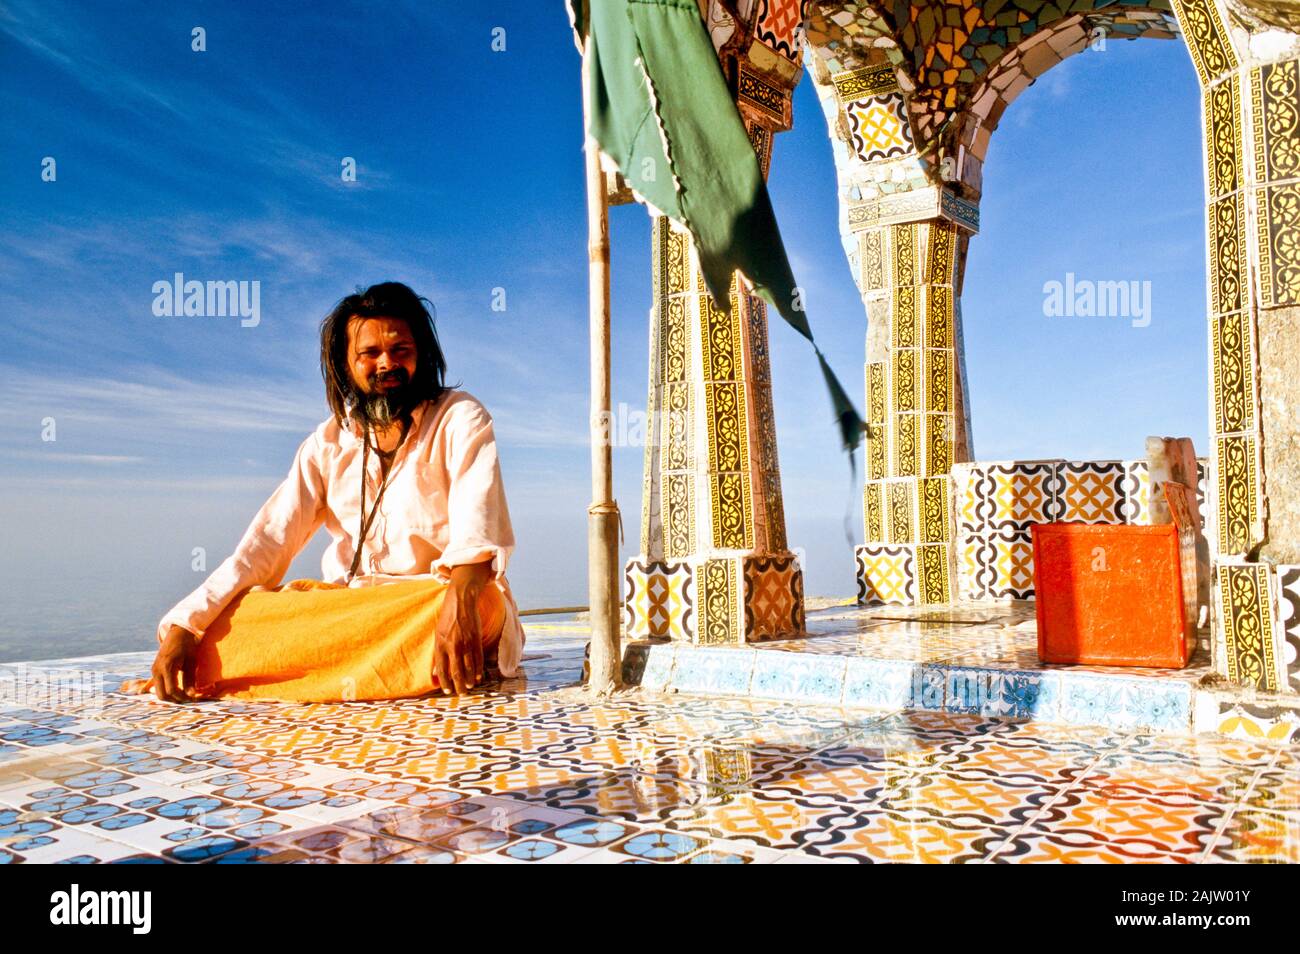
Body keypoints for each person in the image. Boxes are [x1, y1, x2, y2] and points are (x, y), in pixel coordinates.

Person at [135, 281, 524, 704]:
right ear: (346, 365)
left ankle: (332, 665)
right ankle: (379, 669)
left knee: (474, 602)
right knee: (233, 618)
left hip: (440, 600)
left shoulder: (461, 418)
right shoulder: (326, 444)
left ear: (422, 355)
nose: (386, 364)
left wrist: (458, 606)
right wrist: (185, 626)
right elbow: (264, 546)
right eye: (369, 354)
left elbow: (476, 535)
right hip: (354, 609)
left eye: (401, 351)